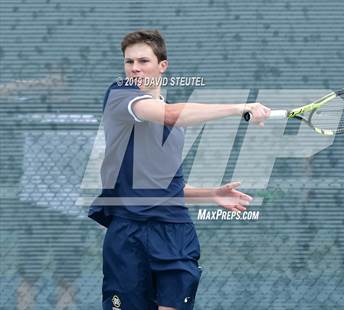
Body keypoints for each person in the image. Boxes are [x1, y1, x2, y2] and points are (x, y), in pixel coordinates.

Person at [88, 29, 271, 310]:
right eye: (128, 62)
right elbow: (172, 115)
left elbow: (162, 185)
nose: (134, 68)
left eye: (143, 61)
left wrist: (210, 194)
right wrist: (240, 108)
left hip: (174, 231)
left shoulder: (174, 125)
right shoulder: (120, 96)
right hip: (128, 234)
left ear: (162, 66)